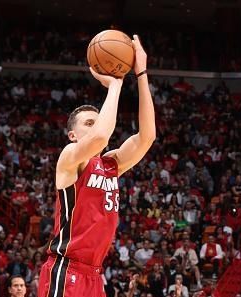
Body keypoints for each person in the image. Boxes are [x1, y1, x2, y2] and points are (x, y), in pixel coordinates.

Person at [38, 34, 156, 297]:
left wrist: (142, 73)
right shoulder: (69, 158)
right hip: (65, 270)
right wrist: (115, 85)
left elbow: (147, 137)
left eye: (97, 120)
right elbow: (101, 136)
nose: (96, 126)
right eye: (88, 123)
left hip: (94, 275)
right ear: (72, 135)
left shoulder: (111, 164)